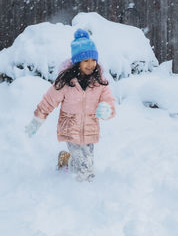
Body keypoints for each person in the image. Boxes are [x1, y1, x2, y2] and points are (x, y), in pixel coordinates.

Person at [25, 28, 116, 182]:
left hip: (90, 129)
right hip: (70, 127)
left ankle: (65, 160)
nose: (90, 64)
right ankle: (80, 190)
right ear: (77, 62)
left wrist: (106, 109)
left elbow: (108, 100)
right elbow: (48, 101)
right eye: (85, 60)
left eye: (93, 60)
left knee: (86, 160)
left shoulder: (100, 82)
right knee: (84, 167)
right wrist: (36, 121)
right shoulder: (66, 82)